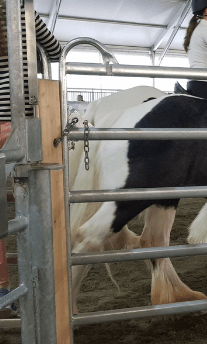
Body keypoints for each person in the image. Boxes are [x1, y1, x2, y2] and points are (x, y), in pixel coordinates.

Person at [0, 3, 62, 318]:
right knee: (35, 202)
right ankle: (37, 282)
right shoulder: (24, 11)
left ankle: (2, 287)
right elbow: (54, 49)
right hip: (23, 124)